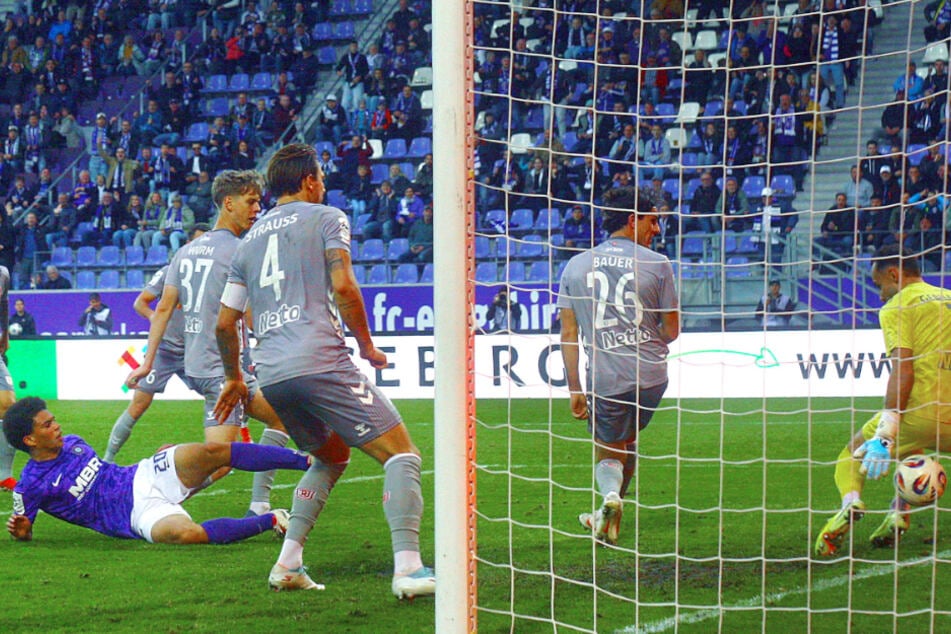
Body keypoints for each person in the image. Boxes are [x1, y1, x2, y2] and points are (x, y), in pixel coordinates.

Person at [213, 144, 435, 598]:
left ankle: (287, 563)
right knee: (402, 455)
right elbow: (343, 285)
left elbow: (224, 322)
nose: (325, 185)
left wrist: (235, 377)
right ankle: (409, 568)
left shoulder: (247, 243)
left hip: (272, 375)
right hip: (319, 360)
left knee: (330, 457)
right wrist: (368, 346)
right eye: (322, 177)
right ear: (310, 181)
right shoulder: (327, 217)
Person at [125, 171, 313, 518]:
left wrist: (148, 362)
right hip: (223, 372)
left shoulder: (184, 251)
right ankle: (159, 477)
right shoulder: (242, 251)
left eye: (259, 201)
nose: (258, 208)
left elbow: (163, 308)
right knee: (222, 459)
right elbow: (252, 315)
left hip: (200, 365)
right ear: (229, 203)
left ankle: (258, 504)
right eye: (251, 201)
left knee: (282, 420)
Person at [3, 397, 303, 544]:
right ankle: (272, 519)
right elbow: (24, 531)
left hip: (144, 474)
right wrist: (21, 531)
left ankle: (306, 461)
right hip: (136, 516)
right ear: (29, 440)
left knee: (212, 452)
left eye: (53, 420)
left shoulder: (73, 443)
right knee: (186, 535)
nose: (57, 426)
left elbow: (108, 472)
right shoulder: (29, 485)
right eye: (47, 425)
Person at [558, 187, 679, 545]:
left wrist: (575, 389)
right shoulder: (658, 265)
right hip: (653, 377)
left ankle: (610, 498)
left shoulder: (576, 265)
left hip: (608, 378)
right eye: (652, 221)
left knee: (608, 448)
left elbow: (568, 334)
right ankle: (607, 514)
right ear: (632, 220)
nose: (656, 229)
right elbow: (671, 332)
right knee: (628, 441)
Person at [815, 245, 951, 556]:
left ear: (894, 274)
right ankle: (898, 513)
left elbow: (903, 368)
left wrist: (888, 429)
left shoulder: (897, 307)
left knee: (851, 453)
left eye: (880, 286)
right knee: (912, 451)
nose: (879, 295)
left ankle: (851, 503)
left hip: (921, 411)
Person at [104, 225, 210, 464]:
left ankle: (226, 452)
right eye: (199, 242)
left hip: (195, 351)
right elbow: (141, 303)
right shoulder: (170, 271)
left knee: (222, 396)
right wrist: (157, 320)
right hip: (165, 351)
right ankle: (108, 460)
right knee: (139, 404)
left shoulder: (214, 274)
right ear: (188, 246)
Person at [0, 264, 16, 491]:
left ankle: (4, 475)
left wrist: (5, 334)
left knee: (8, 405)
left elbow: (3, 305)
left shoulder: (4, 272)